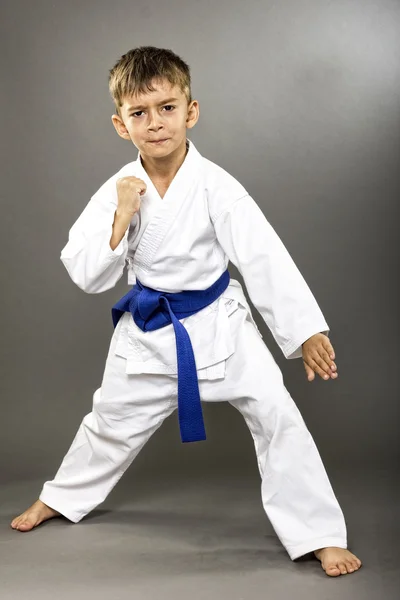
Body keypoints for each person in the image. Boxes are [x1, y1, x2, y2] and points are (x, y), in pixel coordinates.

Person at [11, 46, 362, 577]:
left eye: (167, 108)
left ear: (190, 111)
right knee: (110, 421)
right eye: (139, 113)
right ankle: (62, 497)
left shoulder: (217, 186)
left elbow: (262, 256)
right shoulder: (117, 191)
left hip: (221, 326)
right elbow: (87, 275)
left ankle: (317, 533)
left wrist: (304, 331)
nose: (155, 124)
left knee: (278, 414)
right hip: (149, 328)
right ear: (119, 124)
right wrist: (122, 213)